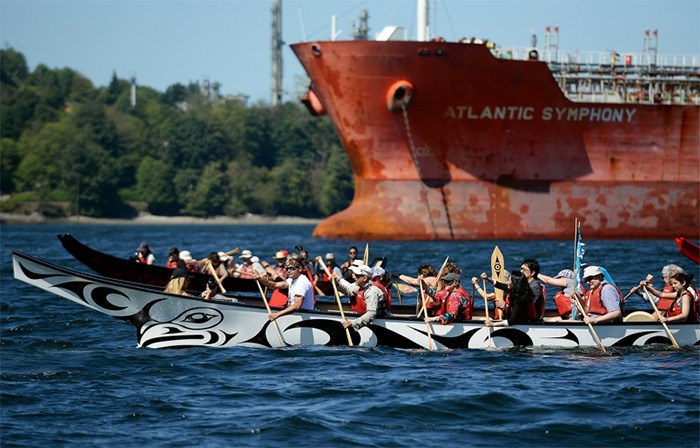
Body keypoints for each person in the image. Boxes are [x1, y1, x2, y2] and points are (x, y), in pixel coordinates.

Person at [332, 263, 388, 330]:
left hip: (379, 323)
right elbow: (348, 291)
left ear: (364, 278)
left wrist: (352, 323)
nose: (354, 276)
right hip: (363, 318)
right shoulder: (359, 286)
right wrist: (337, 284)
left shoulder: (372, 291)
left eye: (357, 275)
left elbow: (371, 314)